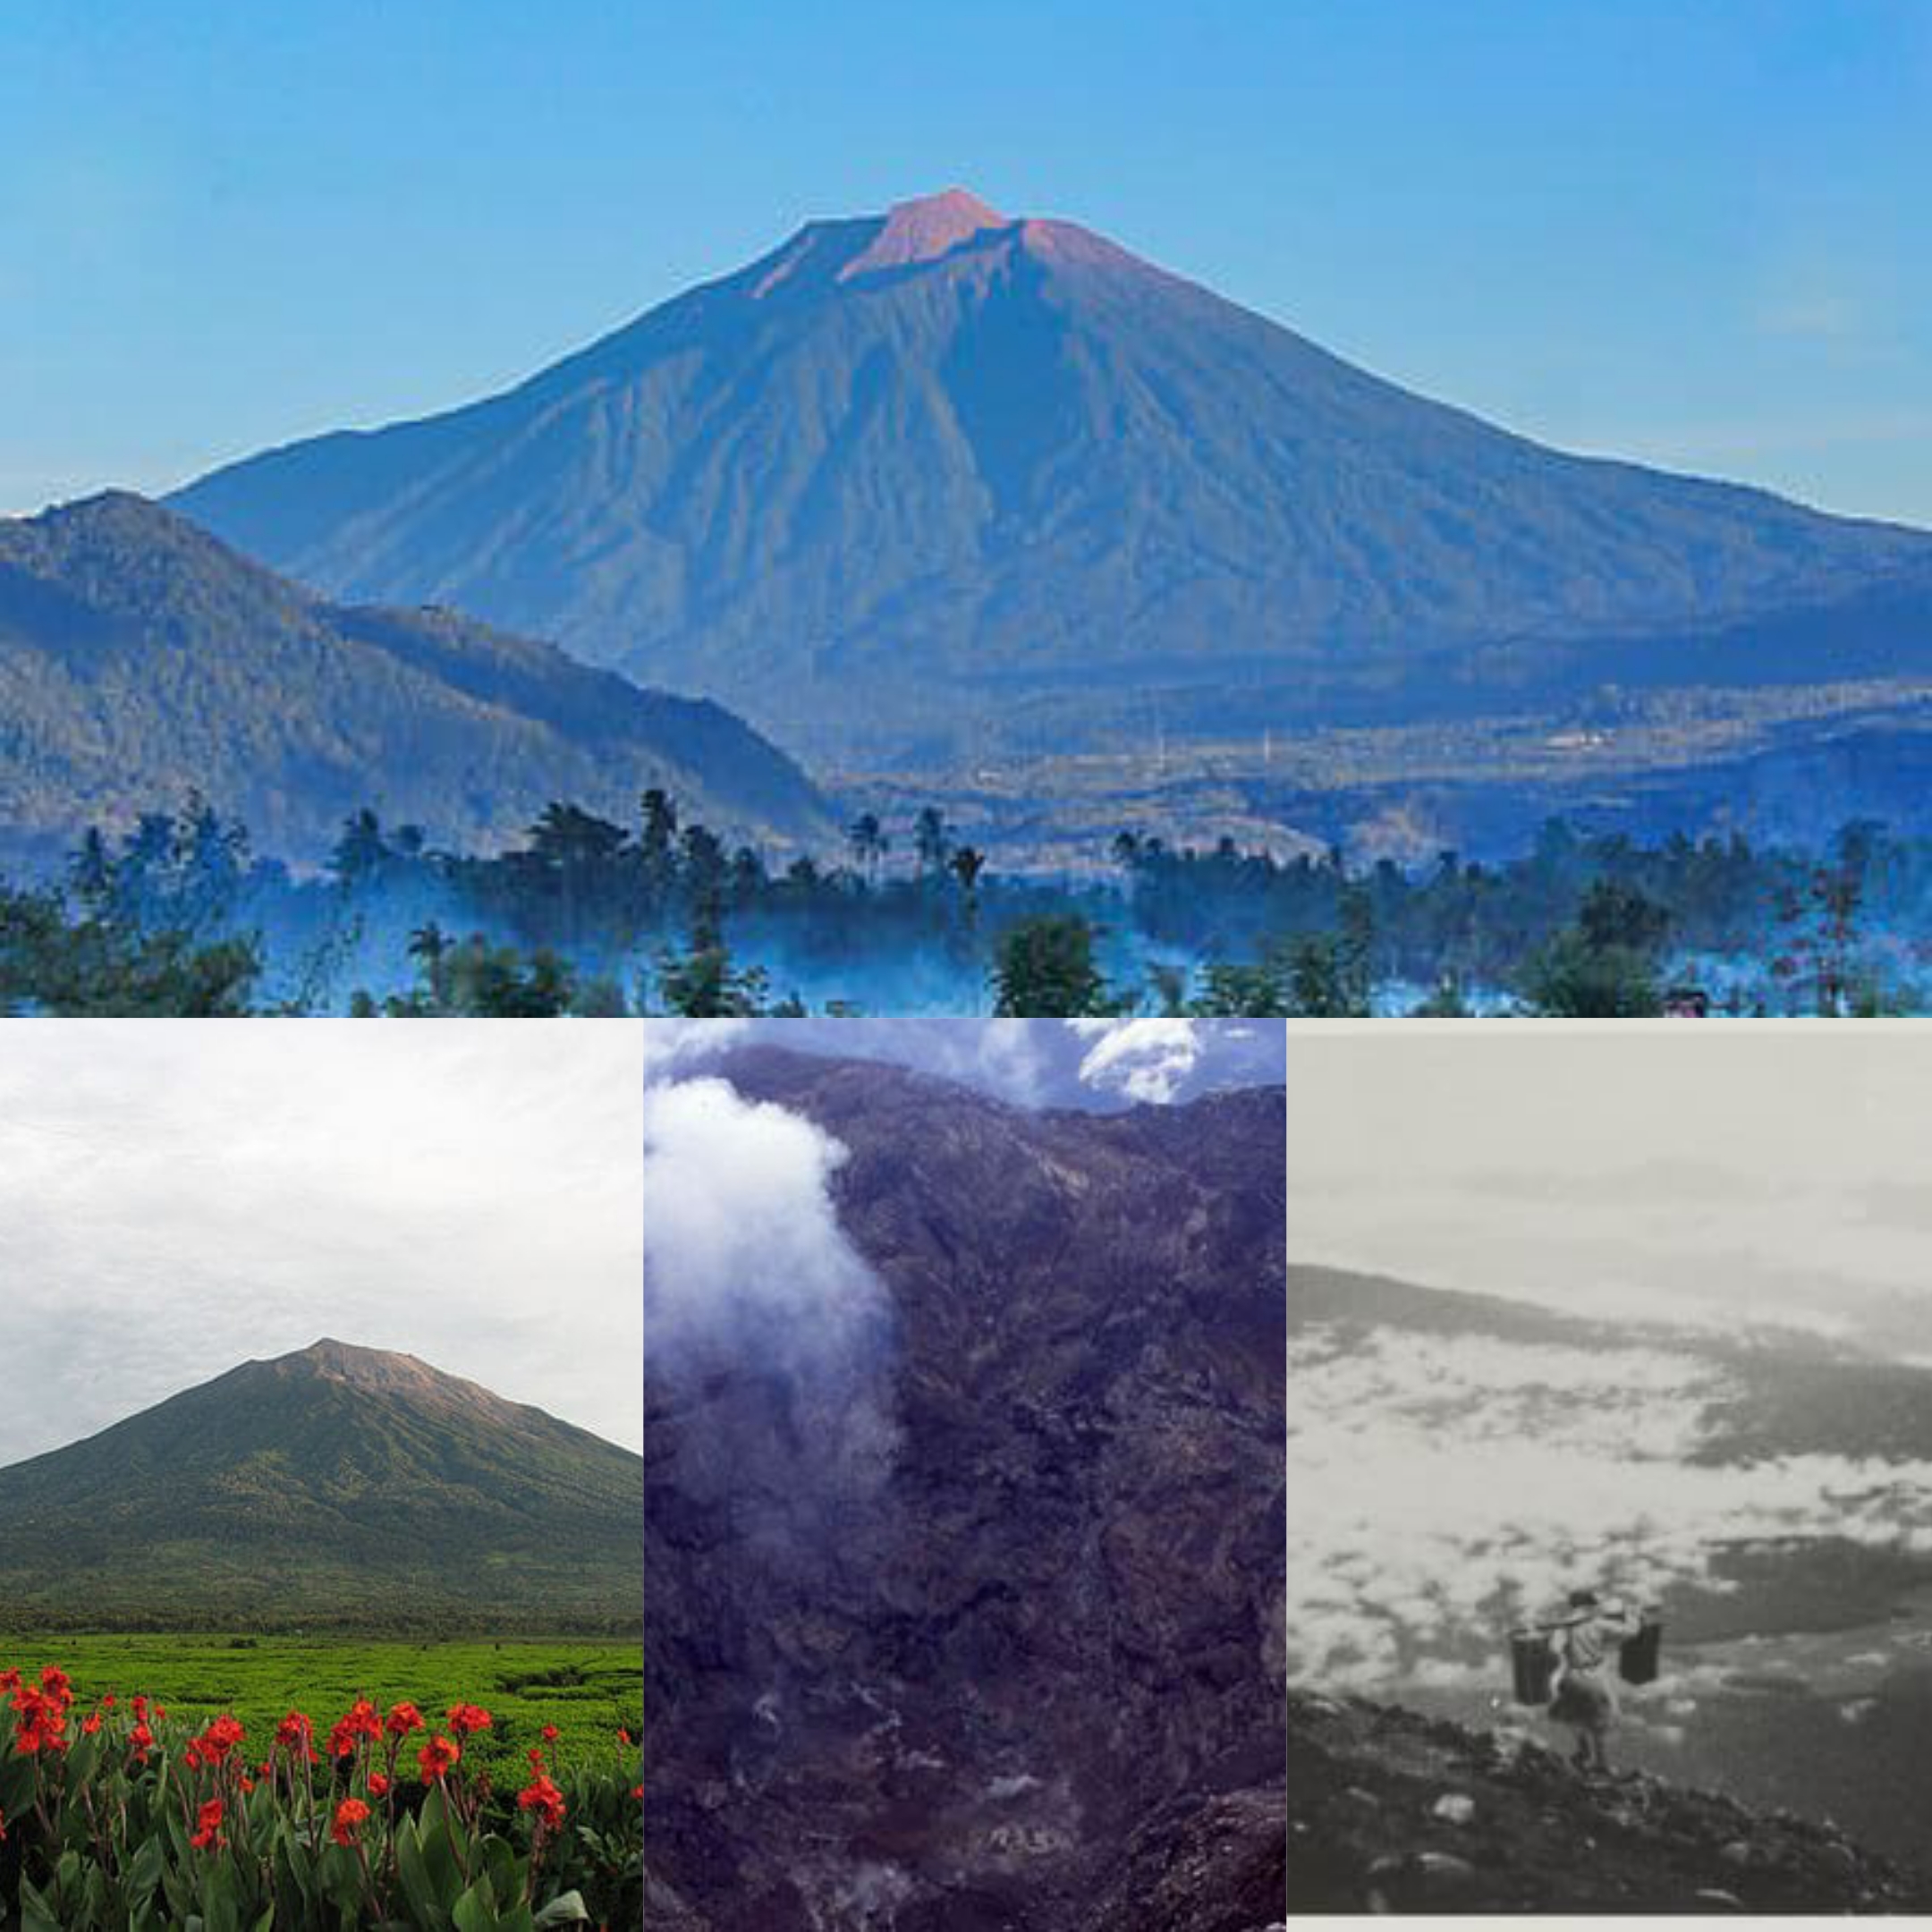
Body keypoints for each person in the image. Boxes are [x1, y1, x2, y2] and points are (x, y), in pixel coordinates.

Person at [1546, 1588, 1640, 1773]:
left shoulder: (1564, 1626)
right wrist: (1633, 1615)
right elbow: (1631, 1632)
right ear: (1588, 1606)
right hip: (1594, 1677)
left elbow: (1554, 1649)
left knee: (1574, 1715)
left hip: (1571, 1676)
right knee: (1599, 1720)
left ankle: (1583, 1752)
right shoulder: (1599, 1624)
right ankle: (1600, 1763)